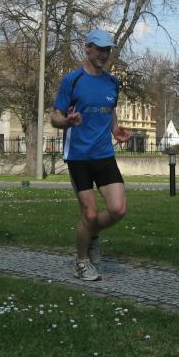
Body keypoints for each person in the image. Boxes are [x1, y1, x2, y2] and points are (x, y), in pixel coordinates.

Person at [51, 29, 131, 282]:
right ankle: (81, 262)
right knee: (90, 214)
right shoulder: (72, 80)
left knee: (118, 209)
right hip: (78, 156)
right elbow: (54, 117)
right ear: (88, 49)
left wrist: (115, 129)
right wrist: (66, 121)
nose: (104, 54)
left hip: (104, 154)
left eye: (107, 50)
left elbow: (109, 110)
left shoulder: (112, 83)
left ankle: (91, 234)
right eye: (99, 49)